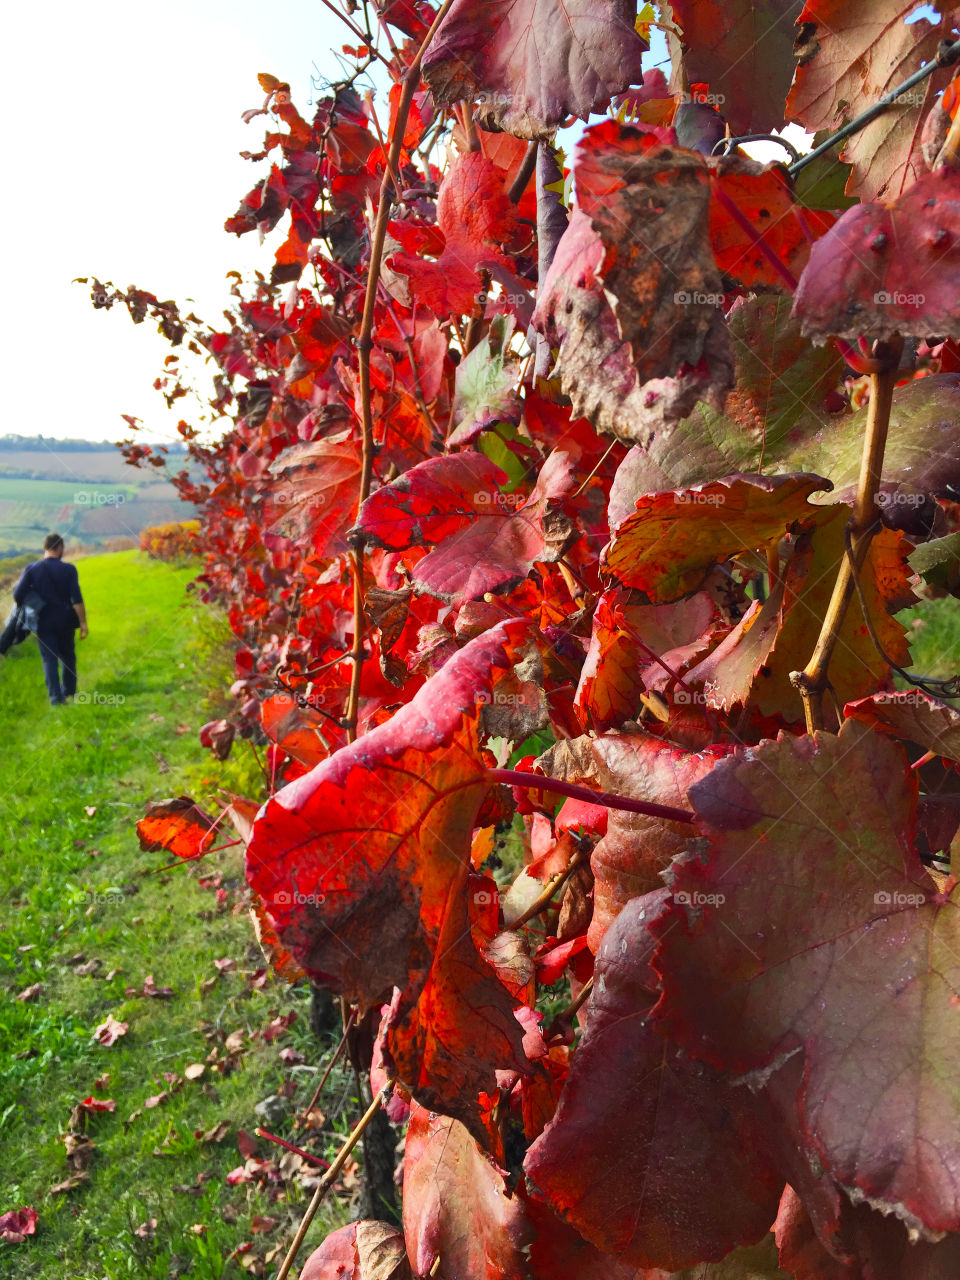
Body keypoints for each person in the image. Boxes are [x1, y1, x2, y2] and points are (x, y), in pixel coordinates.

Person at [13, 534, 88, 705]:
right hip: (65, 619)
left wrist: (33, 605)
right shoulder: (69, 569)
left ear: (45, 548)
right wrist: (83, 623)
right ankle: (69, 693)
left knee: (49, 659)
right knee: (68, 656)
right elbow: (76, 598)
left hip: (43, 620)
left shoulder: (32, 568)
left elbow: (18, 594)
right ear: (60, 548)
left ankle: (56, 698)